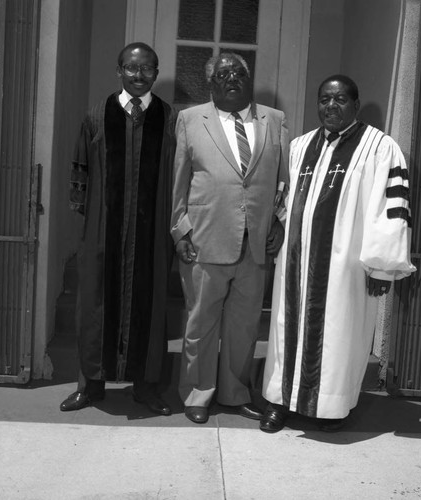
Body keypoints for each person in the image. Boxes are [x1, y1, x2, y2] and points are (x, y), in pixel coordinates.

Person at [260, 74, 416, 433]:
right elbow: (283, 201)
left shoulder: (380, 147)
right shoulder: (300, 146)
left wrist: (382, 267)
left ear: (356, 105)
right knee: (287, 330)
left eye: (340, 99)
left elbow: (391, 209)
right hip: (296, 263)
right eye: (324, 100)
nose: (331, 106)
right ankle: (280, 402)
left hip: (345, 266)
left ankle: (330, 408)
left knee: (338, 334)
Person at [171, 52, 289, 424]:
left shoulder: (275, 120)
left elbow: (284, 182)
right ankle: (197, 394)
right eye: (223, 74)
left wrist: (279, 223)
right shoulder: (191, 120)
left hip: (255, 245)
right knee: (200, 323)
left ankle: (235, 393)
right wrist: (180, 230)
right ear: (211, 83)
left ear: (248, 78)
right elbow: (179, 182)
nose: (232, 78)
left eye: (239, 72)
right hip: (204, 242)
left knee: (244, 325)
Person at [60, 42, 176, 415]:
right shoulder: (98, 115)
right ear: (119, 70)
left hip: (151, 233)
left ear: (156, 73)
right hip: (103, 232)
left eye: (147, 69)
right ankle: (90, 385)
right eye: (132, 68)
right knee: (95, 306)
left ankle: (146, 387)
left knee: (151, 306)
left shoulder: (168, 118)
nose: (139, 76)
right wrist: (94, 223)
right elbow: (81, 170)